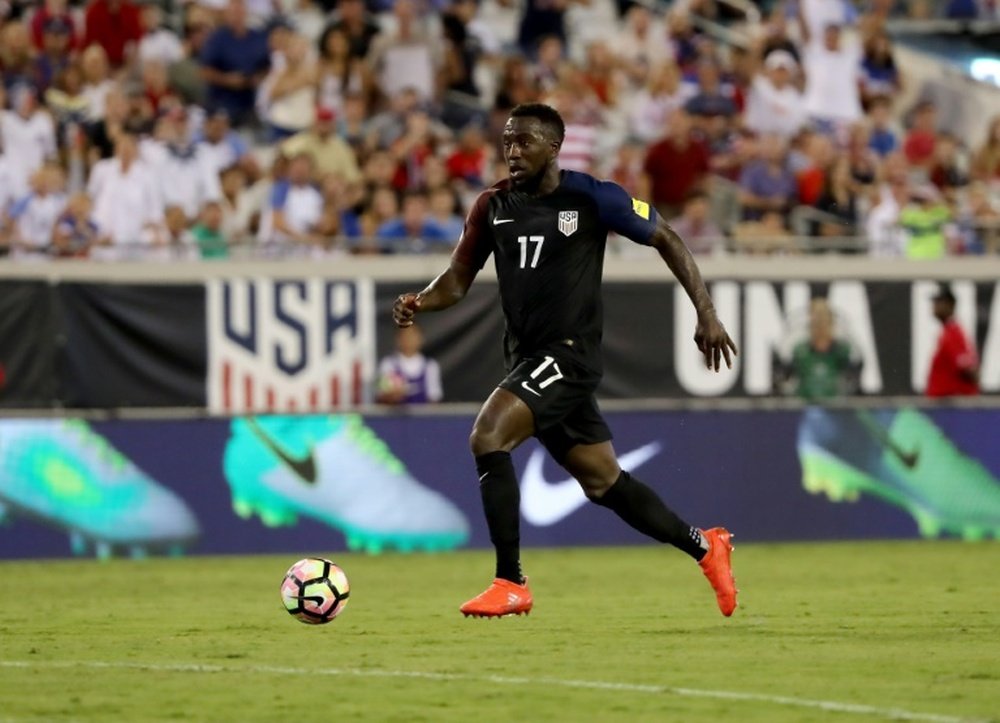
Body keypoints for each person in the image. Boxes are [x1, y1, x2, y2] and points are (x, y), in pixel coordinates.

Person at [392, 103, 739, 619]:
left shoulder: (592, 197)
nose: (512, 151)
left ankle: (511, 582)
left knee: (487, 436)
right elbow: (458, 279)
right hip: (529, 359)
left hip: (568, 357)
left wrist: (706, 312)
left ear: (553, 147)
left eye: (524, 142)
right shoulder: (492, 205)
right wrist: (422, 299)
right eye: (507, 141)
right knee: (603, 483)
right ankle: (705, 547)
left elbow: (665, 235)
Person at [777, 298, 860, 400]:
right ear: (810, 321)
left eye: (823, 319)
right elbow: (786, 379)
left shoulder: (842, 351)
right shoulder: (799, 350)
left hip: (835, 406)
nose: (820, 324)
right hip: (804, 405)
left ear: (831, 322)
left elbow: (852, 380)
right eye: (816, 319)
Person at [926, 286, 979, 397]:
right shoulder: (948, 331)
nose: (934, 306)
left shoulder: (953, 333)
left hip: (951, 405)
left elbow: (970, 370)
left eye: (938, 302)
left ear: (949, 305)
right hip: (946, 403)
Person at [376, 324, 443, 405]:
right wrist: (392, 397)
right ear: (398, 339)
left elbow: (434, 399)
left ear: (421, 338)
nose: (409, 340)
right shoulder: (388, 364)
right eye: (405, 335)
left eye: (412, 335)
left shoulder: (430, 366)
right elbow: (382, 397)